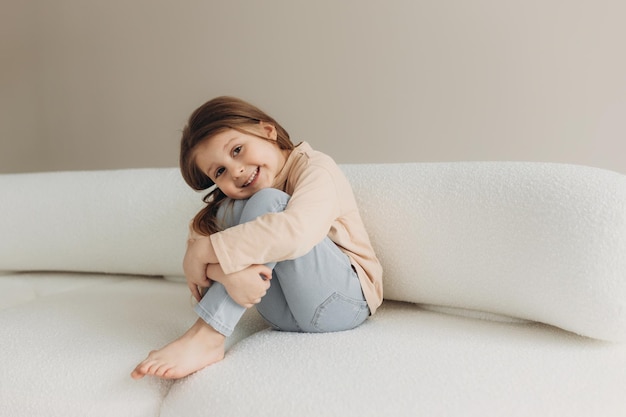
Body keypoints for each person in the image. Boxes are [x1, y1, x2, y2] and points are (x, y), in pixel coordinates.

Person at [131, 96, 383, 380]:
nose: (236, 171)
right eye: (220, 171)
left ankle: (208, 335)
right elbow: (198, 246)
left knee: (269, 202)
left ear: (267, 131)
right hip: (281, 316)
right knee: (233, 209)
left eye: (237, 150)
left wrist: (206, 253)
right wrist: (227, 275)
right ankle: (208, 334)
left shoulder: (316, 168)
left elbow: (296, 233)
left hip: (342, 302)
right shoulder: (237, 201)